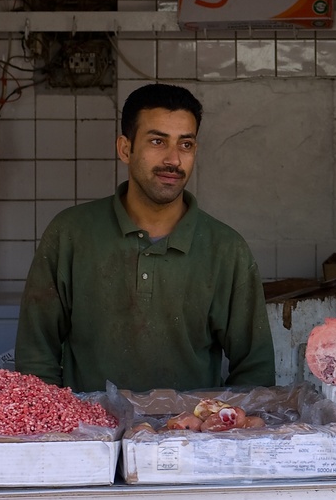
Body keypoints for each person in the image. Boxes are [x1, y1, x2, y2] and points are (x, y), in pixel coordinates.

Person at [15, 83, 276, 393]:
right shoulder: (70, 234)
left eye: (186, 144)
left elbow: (255, 370)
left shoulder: (226, 249)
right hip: (93, 434)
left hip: (188, 436)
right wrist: (61, 430)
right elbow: (35, 355)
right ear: (126, 149)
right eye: (157, 141)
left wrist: (221, 426)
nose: (174, 160)